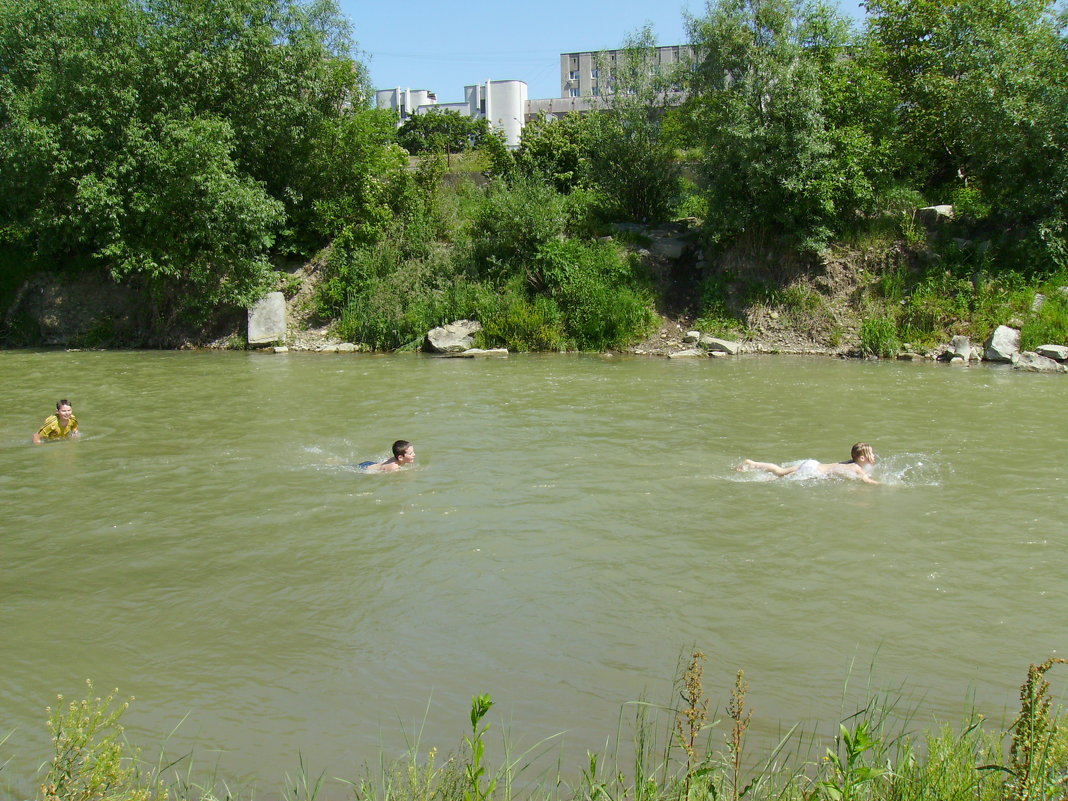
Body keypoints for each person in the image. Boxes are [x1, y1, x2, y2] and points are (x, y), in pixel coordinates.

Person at [736, 442, 879, 484]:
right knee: (777, 478)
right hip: (812, 471)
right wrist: (889, 485)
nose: (873, 455)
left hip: (812, 464)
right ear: (861, 459)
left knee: (780, 472)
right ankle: (752, 466)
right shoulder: (855, 468)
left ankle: (752, 463)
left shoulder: (850, 463)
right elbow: (869, 483)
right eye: (870, 454)